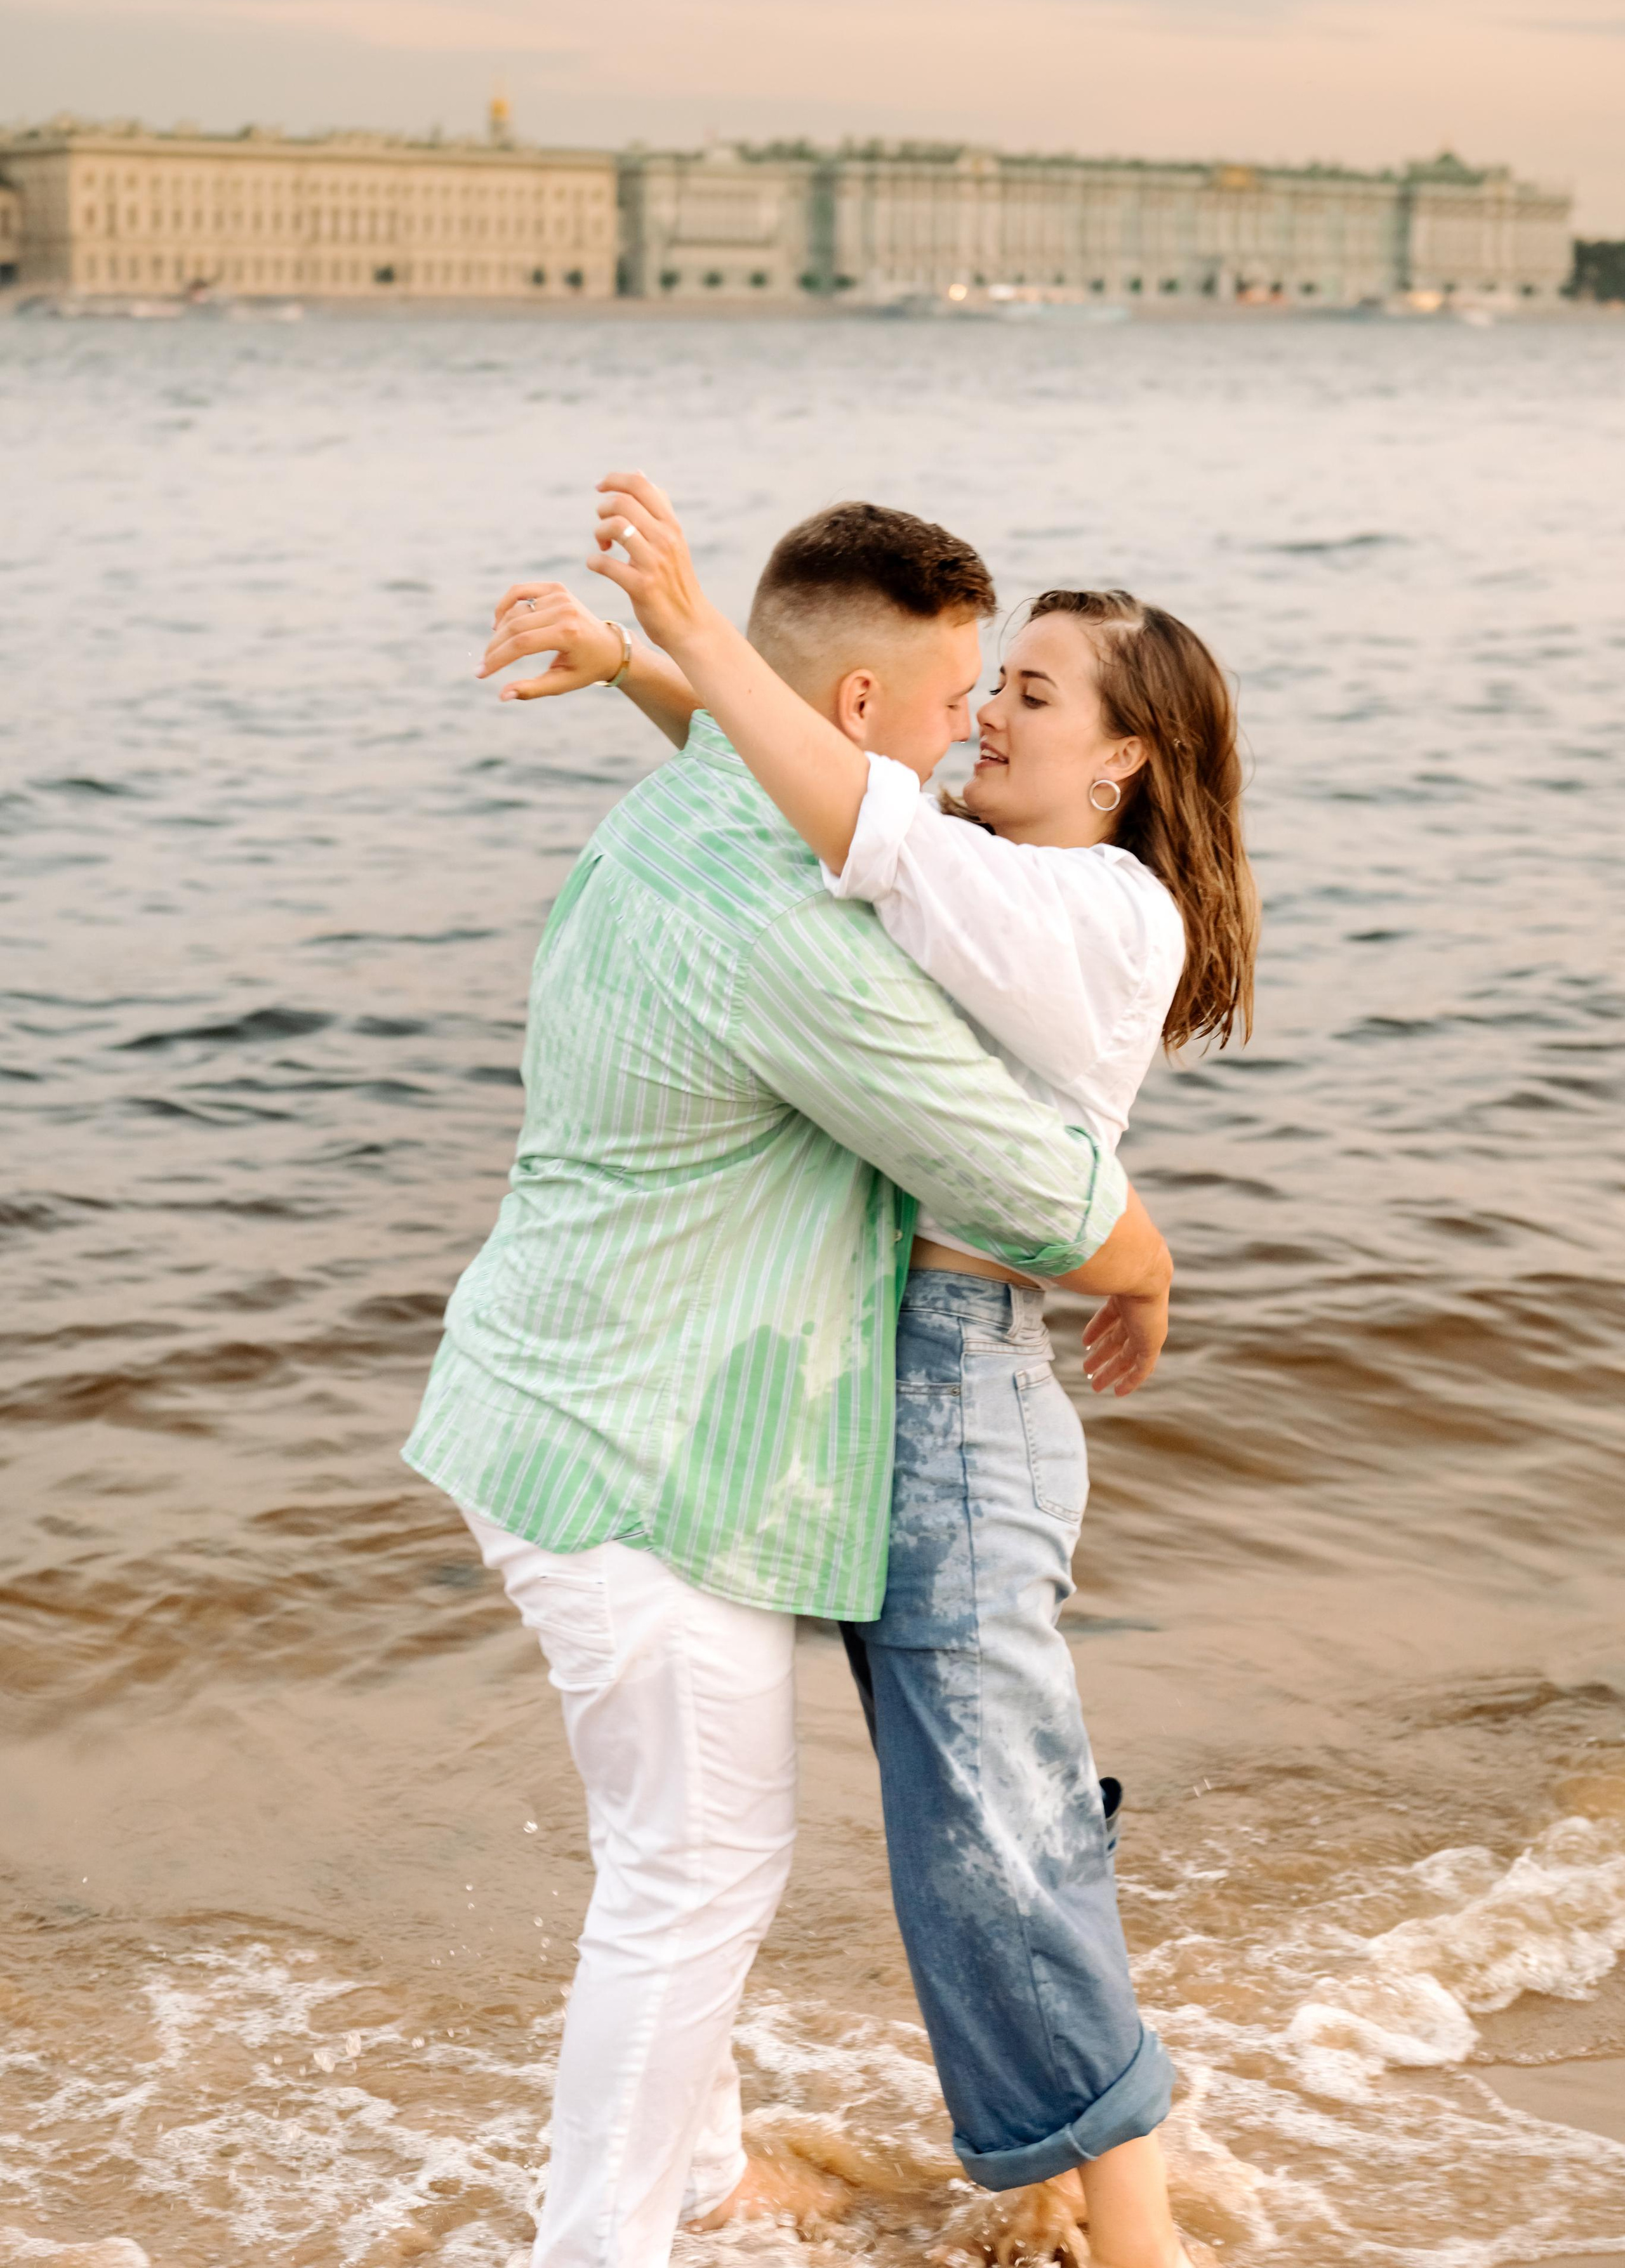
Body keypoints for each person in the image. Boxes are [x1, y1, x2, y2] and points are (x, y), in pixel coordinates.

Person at [483, 472, 1255, 2268]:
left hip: (959, 1408)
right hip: (854, 1385)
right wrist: (635, 669)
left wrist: (680, 625)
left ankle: (1130, 2230)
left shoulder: (1106, 917)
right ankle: (835, 2177)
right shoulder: (988, 869)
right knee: (920, 1829)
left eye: (1036, 695)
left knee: (995, 1841)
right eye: (994, 686)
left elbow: (848, 798)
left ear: (1126, 764)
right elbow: (820, 771)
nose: (989, 711)